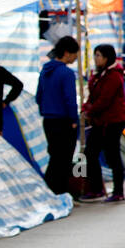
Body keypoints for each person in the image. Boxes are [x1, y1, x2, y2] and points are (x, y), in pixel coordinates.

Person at [80, 44, 125, 203]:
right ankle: (97, 189)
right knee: (91, 153)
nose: (96, 58)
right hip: (100, 121)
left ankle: (118, 192)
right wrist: (86, 107)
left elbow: (104, 100)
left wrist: (89, 110)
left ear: (107, 58)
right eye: (95, 55)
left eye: (99, 55)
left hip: (112, 121)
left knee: (112, 156)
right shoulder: (98, 75)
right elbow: (93, 98)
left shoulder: (114, 76)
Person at [36, 36, 80, 196]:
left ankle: (52, 191)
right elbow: (70, 99)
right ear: (67, 53)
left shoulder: (45, 71)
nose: (76, 57)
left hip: (48, 121)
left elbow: (38, 97)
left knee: (55, 157)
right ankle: (57, 192)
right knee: (63, 160)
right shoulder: (66, 73)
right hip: (64, 121)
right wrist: (74, 120)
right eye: (75, 53)